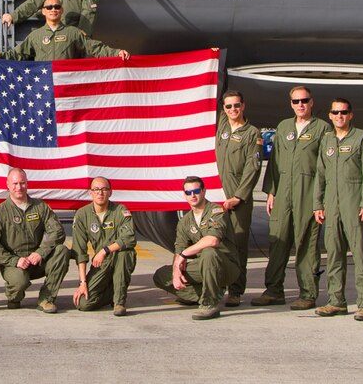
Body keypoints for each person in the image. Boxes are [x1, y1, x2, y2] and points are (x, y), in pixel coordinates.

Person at [252, 86, 331, 310]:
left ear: (312, 102)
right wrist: (271, 191)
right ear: (291, 104)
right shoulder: (284, 127)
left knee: (307, 242)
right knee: (278, 240)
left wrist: (321, 200)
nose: (300, 105)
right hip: (283, 190)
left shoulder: (323, 129)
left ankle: (308, 293)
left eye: (304, 100)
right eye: (296, 101)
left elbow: (325, 166)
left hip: (308, 191)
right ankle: (274, 290)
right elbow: (275, 161)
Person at [313, 98, 363, 321]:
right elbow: (320, 174)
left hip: (354, 204)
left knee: (361, 254)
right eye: (335, 112)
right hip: (331, 205)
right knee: (333, 255)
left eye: (344, 112)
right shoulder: (327, 140)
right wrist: (318, 204)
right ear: (330, 116)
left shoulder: (362, 139)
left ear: (351, 115)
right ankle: (336, 301)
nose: (339, 116)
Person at [0, 168, 70, 313]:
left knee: (62, 251)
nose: (19, 187)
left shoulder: (40, 207)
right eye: (15, 183)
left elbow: (58, 232)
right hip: (14, 264)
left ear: (27, 184)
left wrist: (41, 253)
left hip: (37, 260)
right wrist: (14, 261)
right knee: (19, 281)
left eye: (22, 183)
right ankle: (14, 296)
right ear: (8, 185)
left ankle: (46, 299)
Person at [153, 177, 240, 320]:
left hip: (225, 266)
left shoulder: (216, 211)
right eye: (188, 192)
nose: (192, 195)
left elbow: (213, 240)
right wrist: (176, 272)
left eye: (196, 191)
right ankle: (208, 293)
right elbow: (178, 249)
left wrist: (184, 254)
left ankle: (209, 304)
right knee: (162, 276)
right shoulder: (185, 222)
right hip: (202, 266)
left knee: (209, 252)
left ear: (204, 191)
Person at [214, 90, 262, 307]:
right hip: (216, 197)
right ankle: (217, 287)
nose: (232, 110)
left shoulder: (252, 133)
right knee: (216, 245)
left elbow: (253, 169)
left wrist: (239, 197)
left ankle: (235, 291)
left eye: (236, 106)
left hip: (237, 199)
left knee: (238, 246)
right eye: (228, 106)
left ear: (243, 106)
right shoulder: (222, 127)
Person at [0, 0, 129, 63]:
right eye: (49, 7)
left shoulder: (73, 32)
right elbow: (17, 54)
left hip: (65, 85)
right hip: (43, 85)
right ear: (43, 11)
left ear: (62, 10)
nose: (53, 9)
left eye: (56, 7)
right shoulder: (35, 36)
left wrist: (116, 53)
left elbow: (95, 48)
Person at [71, 177, 137, 316]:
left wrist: (105, 250)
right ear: (90, 193)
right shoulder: (83, 214)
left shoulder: (120, 211)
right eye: (96, 190)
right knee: (83, 304)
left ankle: (119, 302)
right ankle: (113, 291)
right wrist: (82, 282)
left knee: (125, 253)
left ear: (110, 192)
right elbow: (79, 250)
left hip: (118, 257)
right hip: (101, 263)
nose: (100, 193)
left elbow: (130, 238)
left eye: (104, 189)